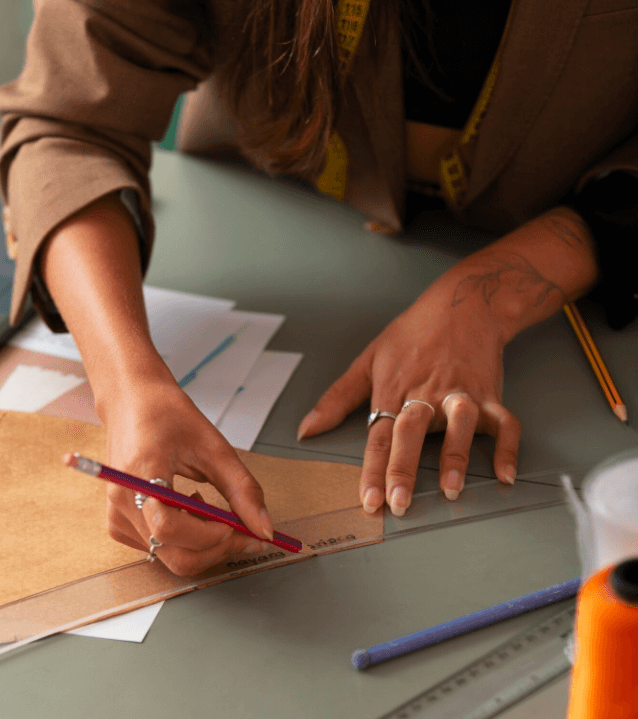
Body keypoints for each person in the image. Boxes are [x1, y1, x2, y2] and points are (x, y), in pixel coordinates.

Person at [1, 0, 636, 577]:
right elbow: (65, 129)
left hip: (592, 279)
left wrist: (496, 288)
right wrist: (127, 386)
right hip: (256, 216)